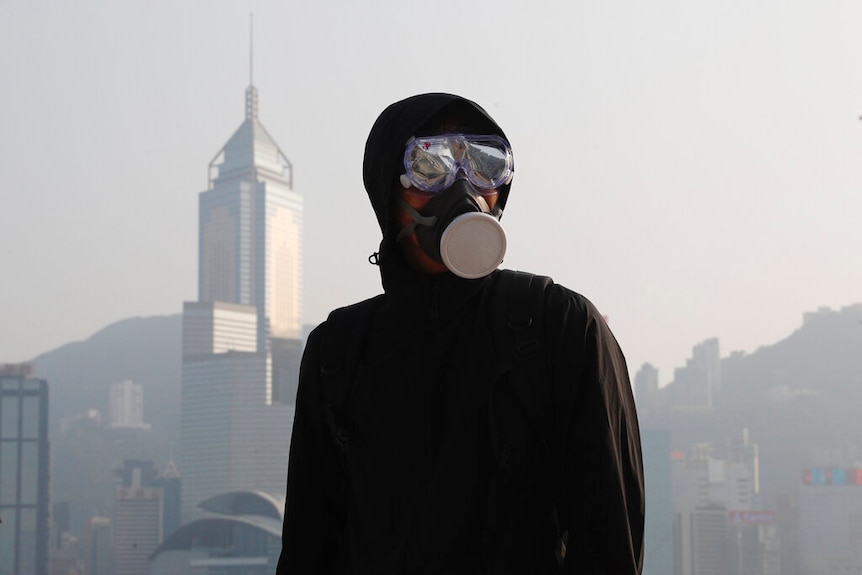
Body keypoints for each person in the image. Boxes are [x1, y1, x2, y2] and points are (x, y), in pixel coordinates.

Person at [277, 93, 644, 574]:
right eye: (430, 166)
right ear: (387, 190)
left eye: (485, 165)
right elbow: (310, 547)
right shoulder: (340, 350)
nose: (464, 190)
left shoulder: (561, 328)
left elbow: (608, 545)